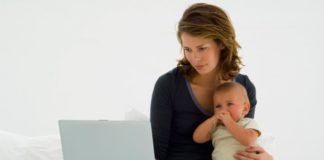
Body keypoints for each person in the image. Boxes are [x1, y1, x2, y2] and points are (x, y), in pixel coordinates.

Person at [150, 2, 273, 160]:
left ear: (221, 43)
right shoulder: (168, 85)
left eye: (202, 48)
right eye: (188, 49)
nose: (195, 58)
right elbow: (155, 150)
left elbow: (243, 141)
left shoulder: (244, 87)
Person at [193, 82, 261, 160]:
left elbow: (249, 141)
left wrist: (229, 122)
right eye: (218, 106)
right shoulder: (217, 127)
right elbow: (197, 138)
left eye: (230, 104)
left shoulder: (247, 123)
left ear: (245, 108)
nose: (223, 110)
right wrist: (213, 119)